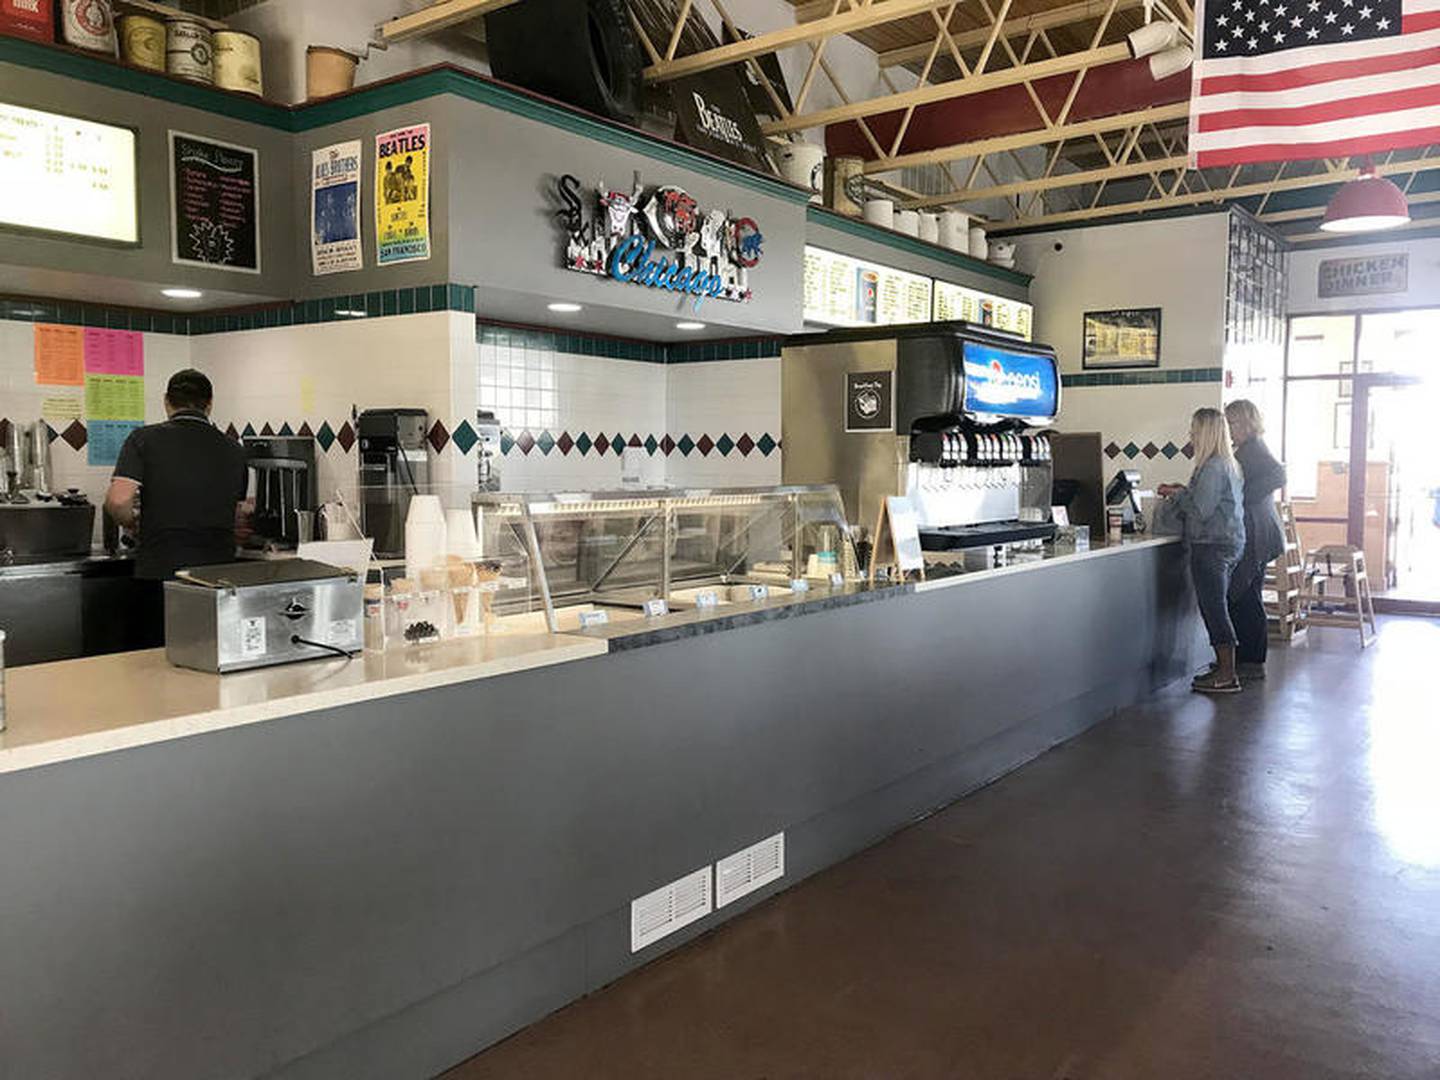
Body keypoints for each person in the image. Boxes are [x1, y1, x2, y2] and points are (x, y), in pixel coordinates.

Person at [104, 369, 248, 649]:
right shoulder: (234, 449)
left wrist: (131, 522)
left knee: (156, 664)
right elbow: (237, 512)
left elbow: (118, 500)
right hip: (217, 577)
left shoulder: (143, 440)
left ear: (167, 402)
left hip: (161, 571)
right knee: (209, 658)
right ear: (209, 404)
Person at [1157, 408, 1246, 694]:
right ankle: (1224, 667)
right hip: (1229, 542)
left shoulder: (1211, 467)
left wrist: (1176, 494)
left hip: (1211, 545)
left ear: (1205, 433)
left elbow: (1200, 510)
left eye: (1194, 430)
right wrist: (1185, 490)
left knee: (1214, 609)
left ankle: (1227, 673)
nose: (1190, 436)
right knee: (1217, 606)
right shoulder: (1228, 464)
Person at [1225, 400, 1287, 679]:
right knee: (1247, 593)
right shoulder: (1247, 450)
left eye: (1234, 423)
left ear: (1248, 423)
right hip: (1261, 530)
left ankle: (1250, 660)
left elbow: (1279, 474)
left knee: (1244, 594)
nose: (1230, 429)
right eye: (1228, 423)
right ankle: (1249, 657)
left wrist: (1245, 497)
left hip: (1258, 532)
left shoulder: (1253, 449)